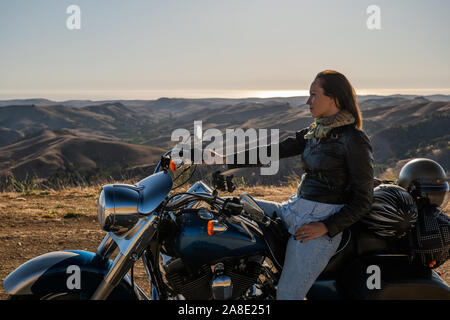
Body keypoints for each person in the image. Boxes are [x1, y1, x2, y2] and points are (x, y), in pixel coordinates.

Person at [204, 70, 374, 300]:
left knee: (287, 295)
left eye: (314, 95)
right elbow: (273, 151)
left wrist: (327, 227)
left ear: (334, 98)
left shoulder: (353, 140)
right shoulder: (315, 132)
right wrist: (225, 159)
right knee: (223, 205)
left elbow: (363, 199)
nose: (308, 101)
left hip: (316, 228)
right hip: (292, 210)